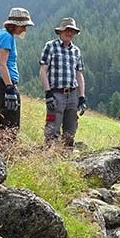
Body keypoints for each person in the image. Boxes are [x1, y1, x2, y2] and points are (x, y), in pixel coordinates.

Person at [39, 17, 87, 148]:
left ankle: (66, 160)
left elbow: (79, 74)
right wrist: (48, 93)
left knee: (70, 131)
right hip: (56, 93)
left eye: (72, 31)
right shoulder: (51, 46)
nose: (70, 33)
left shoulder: (76, 51)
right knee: (52, 130)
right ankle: (49, 159)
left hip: (73, 94)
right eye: (67, 30)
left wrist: (81, 97)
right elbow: (43, 71)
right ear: (60, 31)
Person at [0, 7, 35, 149]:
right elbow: (2, 64)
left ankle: (1, 152)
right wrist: (10, 88)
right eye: (23, 26)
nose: (24, 29)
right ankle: (7, 153)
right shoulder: (6, 36)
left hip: (2, 84)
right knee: (11, 123)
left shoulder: (3, 34)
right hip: (5, 85)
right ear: (15, 24)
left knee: (4, 121)